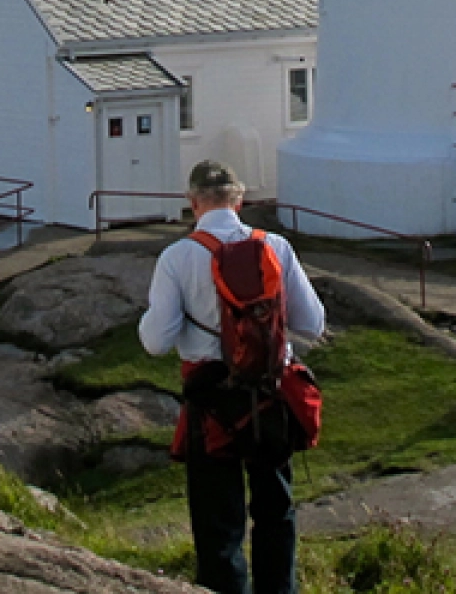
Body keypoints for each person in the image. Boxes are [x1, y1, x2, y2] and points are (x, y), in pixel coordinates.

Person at [139, 161, 326, 594]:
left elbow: (156, 342)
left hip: (212, 401)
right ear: (239, 200)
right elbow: (312, 323)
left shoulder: (179, 256)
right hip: (270, 392)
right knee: (275, 510)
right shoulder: (275, 246)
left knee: (218, 521)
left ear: (193, 202)